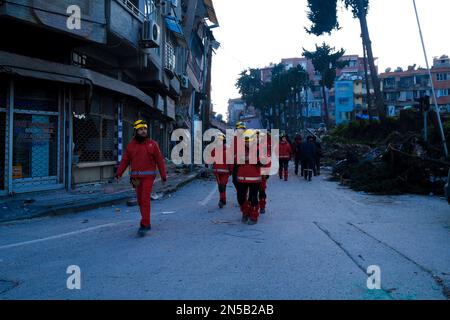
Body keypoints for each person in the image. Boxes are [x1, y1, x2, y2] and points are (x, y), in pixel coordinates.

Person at [115, 120, 167, 237]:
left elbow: (160, 161)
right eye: (141, 129)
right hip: (136, 178)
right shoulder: (131, 146)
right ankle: (145, 220)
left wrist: (163, 176)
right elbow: (125, 161)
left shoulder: (153, 144)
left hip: (148, 177)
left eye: (145, 129)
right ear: (136, 131)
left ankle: (145, 224)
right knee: (139, 200)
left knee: (145, 199)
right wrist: (118, 173)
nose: (144, 131)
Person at [235, 129, 263, 225]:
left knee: (253, 198)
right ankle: (245, 212)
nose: (247, 143)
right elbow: (235, 160)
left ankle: (254, 216)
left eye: (249, 141)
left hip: (255, 179)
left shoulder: (258, 149)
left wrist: (250, 158)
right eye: (246, 141)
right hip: (241, 178)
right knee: (241, 198)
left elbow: (263, 161)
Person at [211, 133, 232, 208]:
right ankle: (222, 200)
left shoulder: (215, 149)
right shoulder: (227, 150)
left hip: (218, 171)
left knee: (221, 186)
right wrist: (231, 170)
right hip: (223, 171)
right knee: (222, 186)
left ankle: (222, 200)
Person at [256, 130, 271, 214]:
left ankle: (262, 206)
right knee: (253, 192)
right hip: (252, 173)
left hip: (262, 173)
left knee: (262, 191)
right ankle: (254, 207)